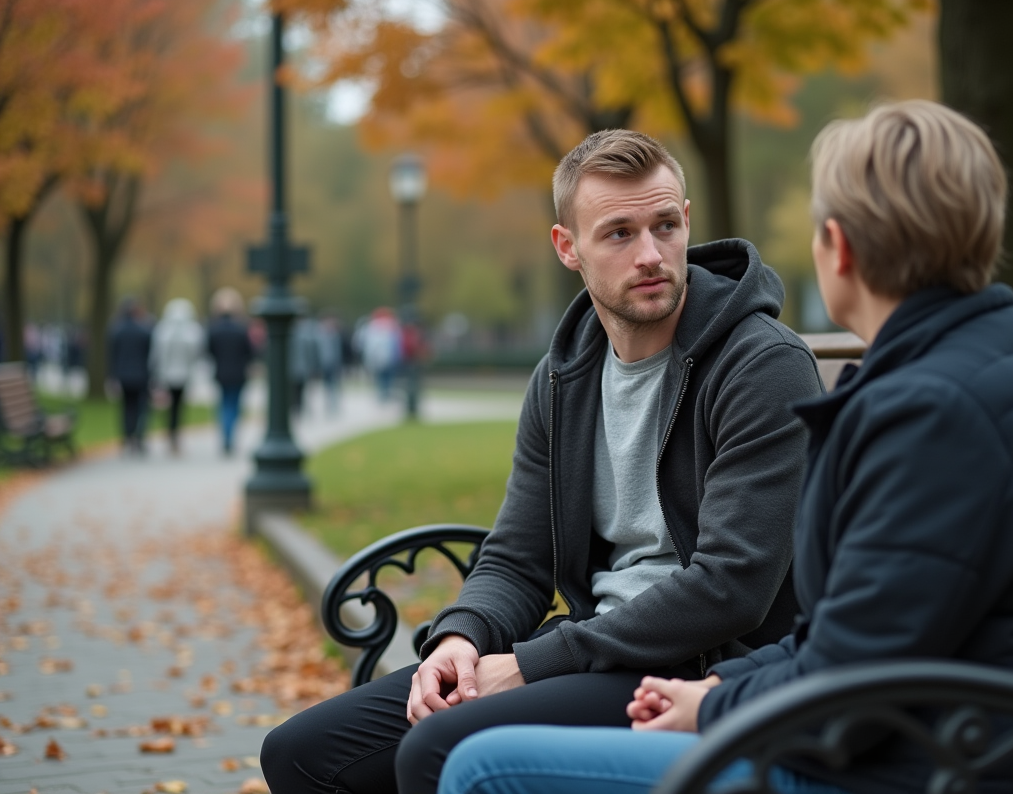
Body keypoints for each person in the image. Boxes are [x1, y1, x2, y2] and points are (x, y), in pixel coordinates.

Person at [435, 100, 1013, 794]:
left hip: (916, 767)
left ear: (839, 247)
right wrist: (718, 690)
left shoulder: (936, 411)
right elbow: (856, 640)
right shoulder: (963, 376)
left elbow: (856, 678)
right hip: (911, 737)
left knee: (480, 768)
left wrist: (715, 702)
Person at [260, 128, 824, 794]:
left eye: (665, 225)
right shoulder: (563, 377)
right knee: (298, 752)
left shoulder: (760, 366)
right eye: (618, 233)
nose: (651, 254)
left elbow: (732, 586)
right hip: (592, 651)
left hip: (704, 672)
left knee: (439, 749)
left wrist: (528, 664)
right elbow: (517, 557)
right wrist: (461, 641)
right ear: (568, 247)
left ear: (687, 221)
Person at [150, 298, 205, 454]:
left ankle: (172, 434)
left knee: (172, 407)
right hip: (181, 376)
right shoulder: (192, 331)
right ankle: (174, 434)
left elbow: (158, 355)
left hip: (170, 375)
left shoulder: (163, 330)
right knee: (177, 406)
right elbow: (195, 355)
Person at [207, 287, 254, 456]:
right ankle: (230, 437)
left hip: (221, 373)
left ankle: (225, 437)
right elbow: (250, 352)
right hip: (239, 373)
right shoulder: (241, 329)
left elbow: (209, 351)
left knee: (223, 404)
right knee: (234, 405)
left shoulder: (214, 329)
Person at [107, 297, 153, 455]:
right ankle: (139, 438)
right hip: (141, 375)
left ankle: (127, 437)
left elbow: (112, 355)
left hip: (124, 376)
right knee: (141, 408)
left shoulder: (116, 330)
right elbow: (149, 354)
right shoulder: (144, 330)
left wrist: (112, 376)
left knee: (127, 407)